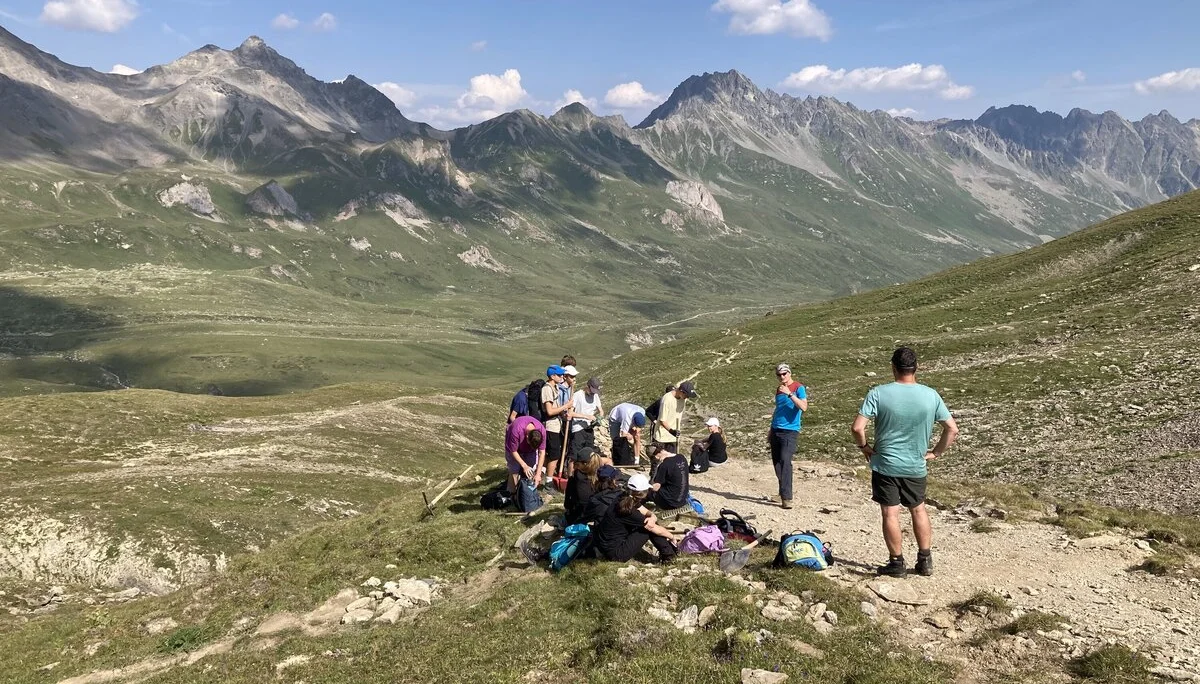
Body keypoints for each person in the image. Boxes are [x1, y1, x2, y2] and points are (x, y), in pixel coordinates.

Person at [851, 347, 959, 578]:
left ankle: (897, 563)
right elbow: (952, 429)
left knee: (890, 513)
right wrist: (936, 453)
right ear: (916, 367)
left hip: (885, 464)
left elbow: (857, 427)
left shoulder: (878, 393)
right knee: (918, 508)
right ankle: (925, 559)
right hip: (915, 464)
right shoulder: (931, 395)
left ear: (893, 367)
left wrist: (865, 447)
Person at [593, 474, 678, 563]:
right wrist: (672, 537)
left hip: (605, 545)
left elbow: (645, 511)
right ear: (643, 493)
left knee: (649, 522)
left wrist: (652, 517)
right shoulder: (628, 511)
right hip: (615, 554)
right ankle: (669, 556)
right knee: (649, 528)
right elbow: (657, 530)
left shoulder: (624, 498)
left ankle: (668, 553)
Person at [768, 363, 808, 509]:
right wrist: (770, 429)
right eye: (779, 375)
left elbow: (804, 407)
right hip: (776, 429)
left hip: (790, 431)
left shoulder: (799, 387)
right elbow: (778, 409)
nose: (782, 377)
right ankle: (782, 492)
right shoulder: (778, 390)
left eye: (784, 373)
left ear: (789, 373)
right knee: (777, 463)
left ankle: (787, 498)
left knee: (785, 462)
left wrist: (790, 394)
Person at [540, 365, 572, 486]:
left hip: (556, 424)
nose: (562, 377)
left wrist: (564, 415)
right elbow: (549, 411)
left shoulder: (555, 388)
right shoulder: (547, 389)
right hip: (550, 426)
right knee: (554, 455)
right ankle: (548, 482)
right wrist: (566, 406)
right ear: (552, 376)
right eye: (559, 375)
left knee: (554, 454)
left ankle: (545, 476)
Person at [504, 415, 547, 495]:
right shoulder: (516, 430)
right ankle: (511, 493)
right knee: (514, 471)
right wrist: (524, 465)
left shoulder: (542, 431)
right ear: (527, 437)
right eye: (529, 444)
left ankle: (527, 492)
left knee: (530, 471)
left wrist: (538, 474)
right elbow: (513, 451)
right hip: (514, 449)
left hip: (529, 452)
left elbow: (542, 452)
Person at [652, 381, 698, 452]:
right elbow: (662, 420)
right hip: (662, 437)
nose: (687, 397)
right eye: (686, 395)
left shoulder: (683, 399)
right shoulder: (667, 399)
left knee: (672, 460)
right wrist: (671, 431)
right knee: (660, 460)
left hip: (674, 437)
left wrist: (675, 433)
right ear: (681, 391)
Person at [568, 376, 604, 463]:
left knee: (589, 456)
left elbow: (601, 411)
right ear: (587, 386)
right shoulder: (577, 395)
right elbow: (570, 413)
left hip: (589, 429)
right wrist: (586, 416)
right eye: (592, 391)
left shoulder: (595, 396)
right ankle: (571, 475)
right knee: (575, 456)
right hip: (578, 429)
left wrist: (599, 418)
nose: (592, 394)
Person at [564, 448, 602, 525]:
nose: (575, 466)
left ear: (584, 464)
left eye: (577, 464)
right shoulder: (600, 474)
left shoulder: (579, 477)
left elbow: (581, 502)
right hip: (598, 514)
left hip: (581, 517)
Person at [649, 444, 690, 510]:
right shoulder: (681, 457)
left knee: (648, 491)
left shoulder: (664, 465)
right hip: (682, 499)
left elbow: (655, 488)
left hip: (670, 503)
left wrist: (658, 466)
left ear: (656, 455)